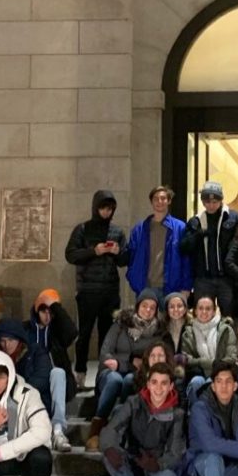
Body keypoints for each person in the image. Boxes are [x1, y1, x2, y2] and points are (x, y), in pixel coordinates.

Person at [97, 362, 185, 476]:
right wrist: (110, 448)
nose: (158, 388)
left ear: (171, 386)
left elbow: (175, 453)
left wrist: (157, 464)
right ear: (148, 383)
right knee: (109, 456)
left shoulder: (177, 414)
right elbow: (111, 429)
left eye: (164, 383)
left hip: (155, 470)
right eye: (154, 382)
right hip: (134, 462)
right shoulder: (134, 402)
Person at [87, 289, 168, 451]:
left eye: (152, 307)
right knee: (115, 379)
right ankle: (96, 429)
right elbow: (105, 354)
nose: (148, 310)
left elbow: (149, 361)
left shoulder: (157, 331)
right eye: (145, 306)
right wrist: (130, 360)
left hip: (135, 373)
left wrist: (121, 362)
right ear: (138, 306)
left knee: (130, 380)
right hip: (109, 374)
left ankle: (120, 425)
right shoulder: (121, 324)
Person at [65, 190, 126, 389]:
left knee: (107, 334)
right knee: (84, 333)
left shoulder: (117, 232)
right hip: (88, 289)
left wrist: (118, 253)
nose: (106, 212)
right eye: (103, 208)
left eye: (110, 209)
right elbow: (71, 255)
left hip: (110, 290)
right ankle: (80, 373)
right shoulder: (82, 229)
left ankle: (104, 373)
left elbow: (125, 260)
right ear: (95, 207)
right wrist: (94, 251)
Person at [23, 288, 78, 453]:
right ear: (36, 310)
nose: (47, 316)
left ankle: (58, 431)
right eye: (43, 311)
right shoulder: (25, 329)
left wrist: (56, 307)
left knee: (59, 373)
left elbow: (72, 333)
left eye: (51, 312)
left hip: (54, 380)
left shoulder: (57, 331)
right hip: (31, 378)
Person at [180, 181, 238, 317]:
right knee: (202, 317)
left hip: (227, 278)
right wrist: (199, 234)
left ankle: (229, 339)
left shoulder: (234, 218)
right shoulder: (195, 221)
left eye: (215, 201)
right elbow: (184, 247)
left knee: (230, 317)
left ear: (221, 200)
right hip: (203, 279)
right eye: (207, 201)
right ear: (202, 202)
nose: (211, 205)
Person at [123, 185, 191, 300]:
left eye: (163, 198)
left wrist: (186, 287)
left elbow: (187, 259)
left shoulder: (180, 228)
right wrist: (134, 280)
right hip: (144, 288)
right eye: (156, 198)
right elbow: (131, 258)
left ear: (169, 201)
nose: (160, 202)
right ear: (151, 202)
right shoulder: (139, 229)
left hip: (171, 289)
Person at [180, 295, 238, 405]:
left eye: (208, 308)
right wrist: (207, 363)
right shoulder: (188, 333)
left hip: (222, 373)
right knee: (196, 382)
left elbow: (231, 357)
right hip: (199, 373)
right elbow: (186, 359)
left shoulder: (226, 329)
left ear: (214, 311)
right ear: (195, 311)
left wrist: (209, 366)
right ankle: (195, 417)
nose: (204, 312)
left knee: (216, 383)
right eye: (201, 308)